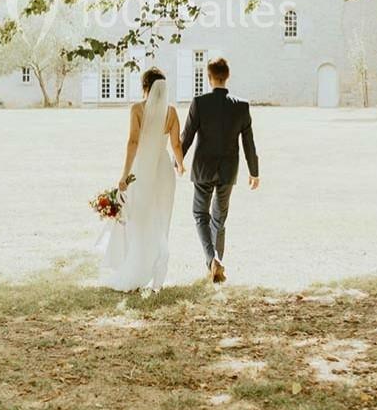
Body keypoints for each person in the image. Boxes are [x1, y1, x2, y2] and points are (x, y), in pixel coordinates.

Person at [99, 68, 185, 291]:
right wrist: (181, 164)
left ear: (144, 87)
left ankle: (137, 267)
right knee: (160, 218)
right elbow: (176, 144)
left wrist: (125, 175)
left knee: (140, 219)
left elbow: (133, 143)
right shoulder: (171, 112)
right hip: (164, 171)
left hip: (142, 170)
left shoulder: (137, 109)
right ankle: (157, 267)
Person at [180, 56, 259, 283]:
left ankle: (211, 259)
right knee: (219, 219)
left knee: (199, 215)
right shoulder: (241, 106)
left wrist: (178, 161)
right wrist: (254, 172)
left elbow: (187, 136)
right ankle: (218, 263)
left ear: (209, 77)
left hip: (203, 168)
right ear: (227, 77)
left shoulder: (199, 102)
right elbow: (249, 143)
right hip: (227, 170)